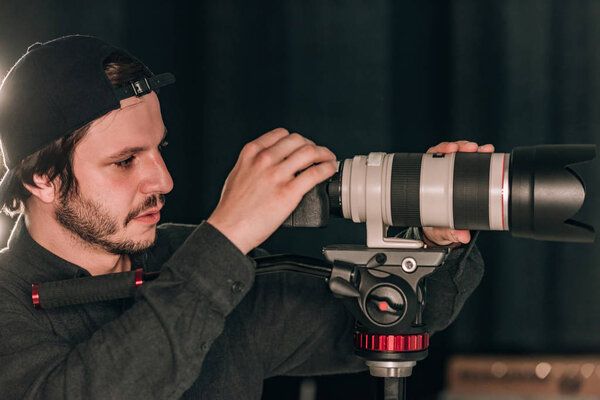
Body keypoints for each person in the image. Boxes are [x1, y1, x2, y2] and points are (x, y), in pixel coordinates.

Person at [0, 35, 490, 399]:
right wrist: (227, 237)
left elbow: (383, 322)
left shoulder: (192, 257)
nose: (163, 181)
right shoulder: (7, 305)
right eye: (125, 160)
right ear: (42, 177)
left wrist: (432, 242)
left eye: (159, 149)